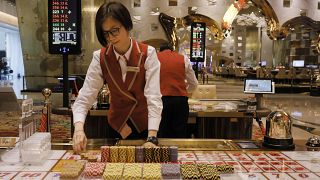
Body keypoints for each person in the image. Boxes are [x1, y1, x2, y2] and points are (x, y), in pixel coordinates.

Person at [72, 2, 162, 153]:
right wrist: (79, 129)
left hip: (146, 126)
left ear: (127, 25)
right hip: (117, 126)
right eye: (106, 33)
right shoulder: (100, 57)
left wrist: (152, 137)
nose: (111, 38)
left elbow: (153, 97)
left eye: (115, 30)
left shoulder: (148, 53)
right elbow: (85, 97)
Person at [157, 42, 198, 138]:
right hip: (180, 101)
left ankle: (164, 152)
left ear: (160, 50)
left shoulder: (154, 58)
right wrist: (184, 90)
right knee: (180, 132)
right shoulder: (183, 58)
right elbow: (194, 84)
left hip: (161, 101)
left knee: (162, 131)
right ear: (172, 50)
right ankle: (179, 151)